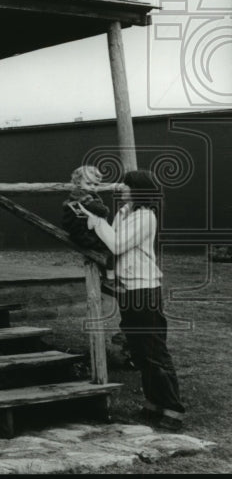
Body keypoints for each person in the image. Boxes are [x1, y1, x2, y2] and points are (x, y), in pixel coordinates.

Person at [78, 169, 186, 431]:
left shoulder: (145, 216)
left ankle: (173, 409)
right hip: (128, 288)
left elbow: (117, 245)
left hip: (145, 289)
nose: (121, 188)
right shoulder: (125, 213)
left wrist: (95, 219)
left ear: (140, 191)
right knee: (139, 349)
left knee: (154, 349)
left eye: (127, 185)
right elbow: (111, 244)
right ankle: (153, 404)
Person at [61, 165, 115, 280]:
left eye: (95, 184)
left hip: (85, 231)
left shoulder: (86, 194)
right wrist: (105, 210)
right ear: (78, 183)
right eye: (88, 183)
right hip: (81, 234)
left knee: (109, 248)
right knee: (110, 248)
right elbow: (101, 210)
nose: (92, 187)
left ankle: (108, 274)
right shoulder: (81, 195)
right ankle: (110, 277)